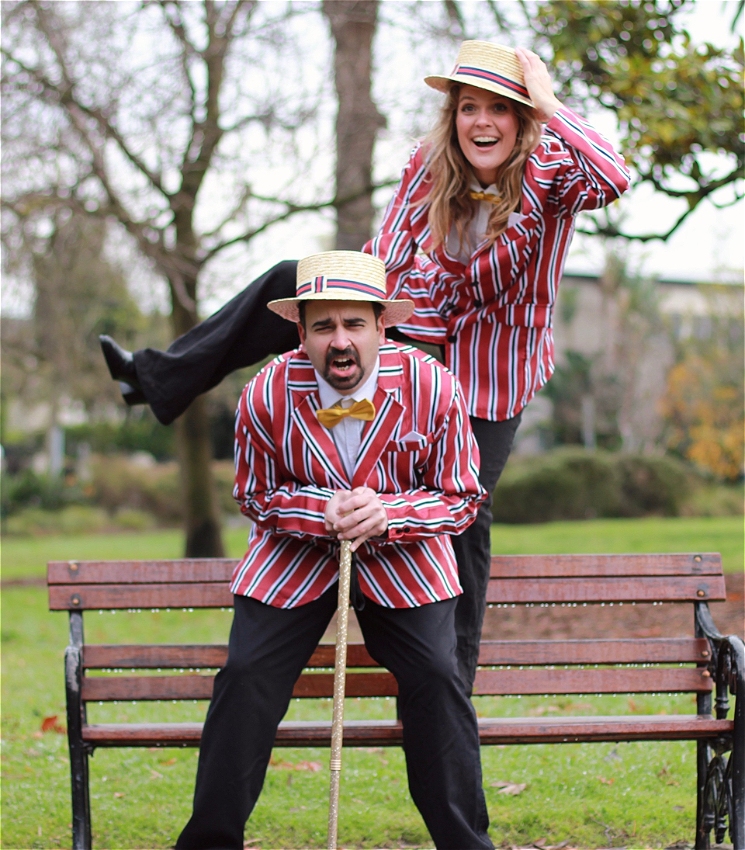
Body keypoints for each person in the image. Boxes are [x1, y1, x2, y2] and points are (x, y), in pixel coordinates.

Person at [100, 41, 630, 694]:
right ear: (452, 115)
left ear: (523, 119)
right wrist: (351, 306)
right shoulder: (427, 163)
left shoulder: (551, 171)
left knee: (465, 509)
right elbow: (384, 252)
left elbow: (612, 176)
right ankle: (155, 379)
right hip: (416, 331)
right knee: (294, 279)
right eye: (468, 108)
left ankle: (447, 694)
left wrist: (549, 104)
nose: (482, 122)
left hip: (493, 370)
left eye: (500, 107)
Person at [174, 250, 492, 850]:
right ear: (301, 332)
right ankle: (209, 842)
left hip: (406, 560)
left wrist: (389, 513)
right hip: (293, 558)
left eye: (354, 324)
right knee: (244, 676)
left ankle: (465, 844)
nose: (339, 341)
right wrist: (319, 511)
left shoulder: (433, 386)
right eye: (323, 326)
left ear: (381, 325)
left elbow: (461, 498)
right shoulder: (266, 392)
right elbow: (255, 493)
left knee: (437, 676)